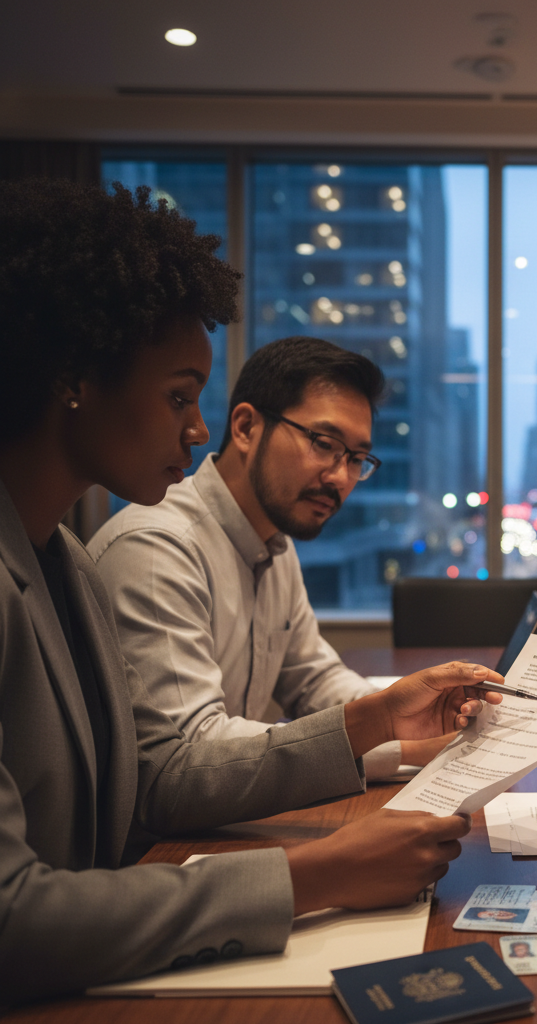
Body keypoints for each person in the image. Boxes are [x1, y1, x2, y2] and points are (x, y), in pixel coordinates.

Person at [0, 178, 504, 1006]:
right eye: (176, 396)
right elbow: (166, 783)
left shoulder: (66, 561)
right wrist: (319, 864)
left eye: (358, 458)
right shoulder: (147, 545)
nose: (191, 428)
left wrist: (400, 729)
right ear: (74, 376)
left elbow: (314, 682)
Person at [88, 337, 449, 779]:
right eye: (323, 442)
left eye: (356, 458)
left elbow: (314, 678)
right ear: (245, 428)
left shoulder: (275, 545)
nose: (340, 477)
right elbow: (190, 753)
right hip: (155, 845)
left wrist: (417, 723)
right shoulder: (157, 549)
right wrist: (401, 749)